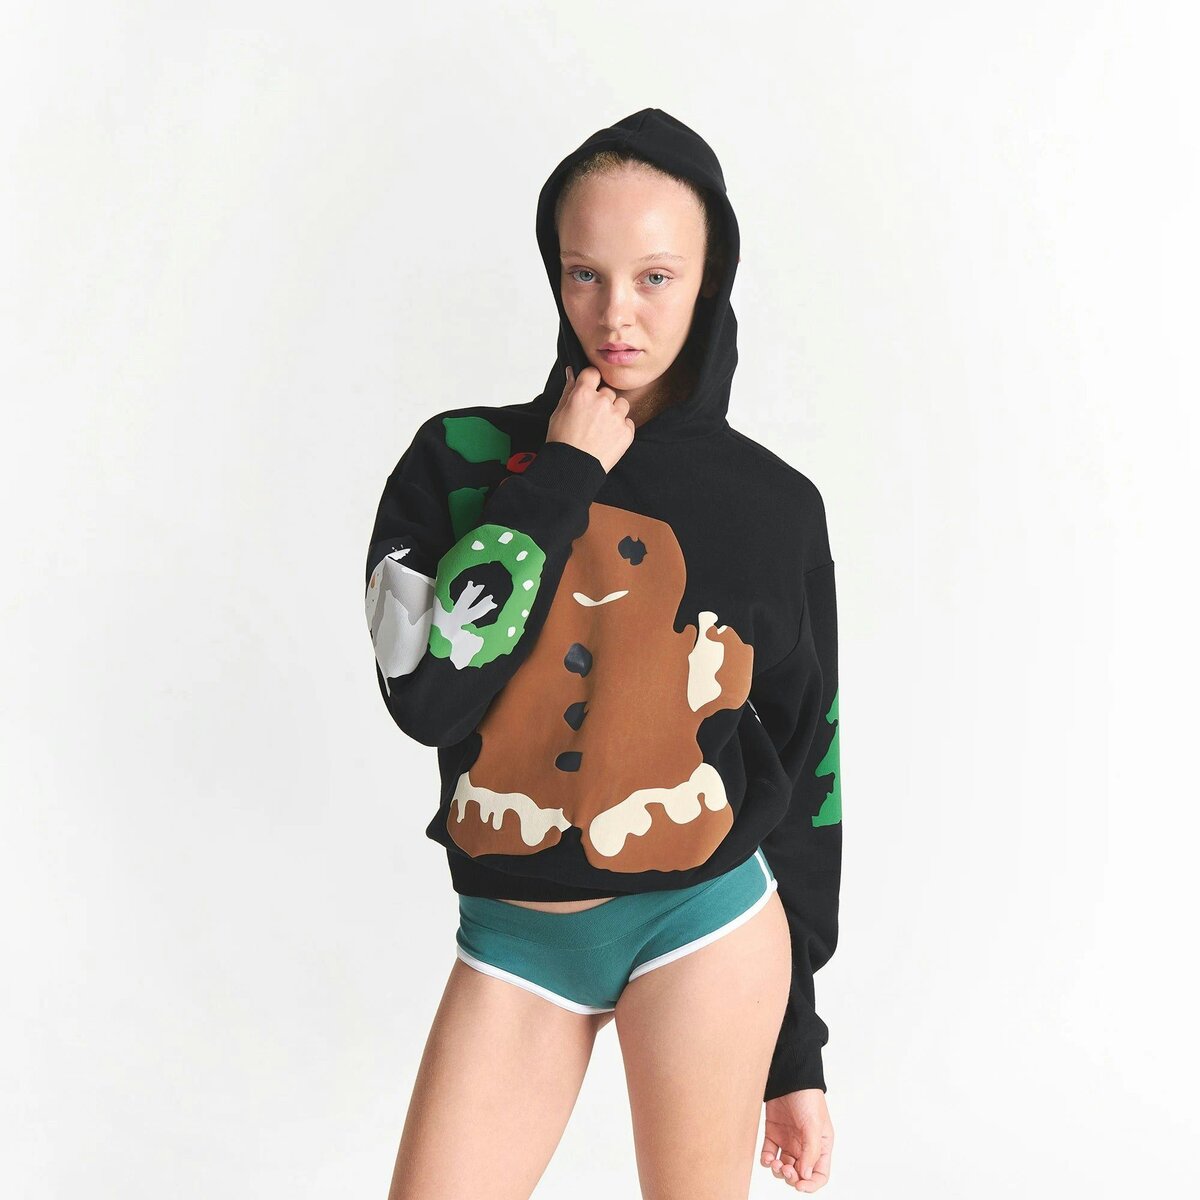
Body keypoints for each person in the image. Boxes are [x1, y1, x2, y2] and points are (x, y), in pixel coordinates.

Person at [365, 107, 842, 1198]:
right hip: (513, 937)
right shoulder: (458, 461)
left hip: (708, 923)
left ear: (711, 277)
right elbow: (427, 696)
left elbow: (808, 767)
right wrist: (558, 479)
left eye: (655, 277)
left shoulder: (774, 506)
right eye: (585, 274)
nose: (616, 313)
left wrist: (795, 1048)